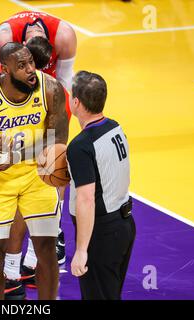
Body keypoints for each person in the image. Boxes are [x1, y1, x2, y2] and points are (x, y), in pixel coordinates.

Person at [0, 43, 69, 300]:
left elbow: (58, 142)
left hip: (38, 174)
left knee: (45, 247)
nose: (30, 70)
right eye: (21, 66)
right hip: (0, 180)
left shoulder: (51, 89)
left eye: (31, 63)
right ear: (5, 70)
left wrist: (16, 155)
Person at [67, 71, 136, 299]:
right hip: (125, 225)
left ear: (76, 102)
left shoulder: (80, 146)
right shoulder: (114, 127)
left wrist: (81, 250)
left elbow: (86, 200)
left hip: (102, 233)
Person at [0, 10, 77, 91]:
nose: (31, 69)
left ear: (51, 45)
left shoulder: (64, 36)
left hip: (48, 78)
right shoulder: (2, 39)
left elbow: (65, 79)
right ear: (23, 44)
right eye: (25, 63)